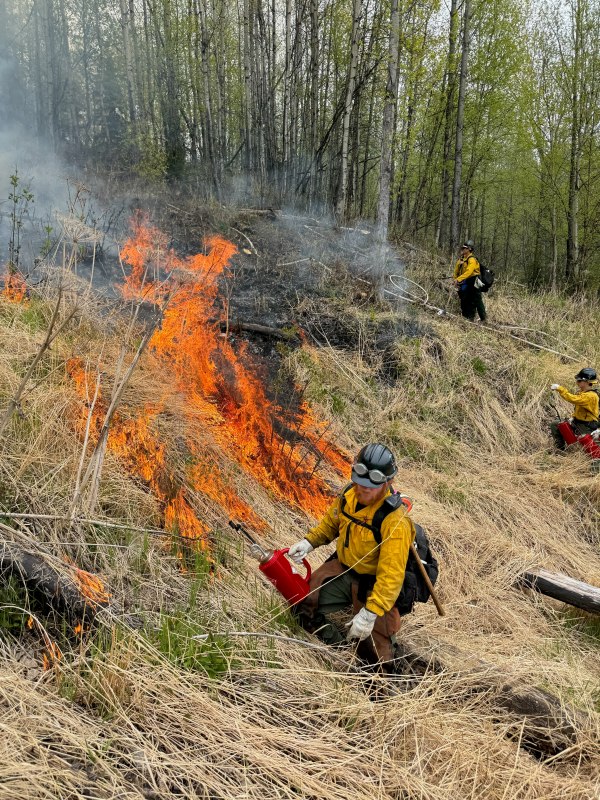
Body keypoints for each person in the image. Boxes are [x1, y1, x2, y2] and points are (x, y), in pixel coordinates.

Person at [288, 443, 415, 673]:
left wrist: (369, 613)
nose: (362, 490)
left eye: (369, 487)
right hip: (344, 569)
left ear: (387, 483)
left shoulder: (394, 521)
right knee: (302, 606)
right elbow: (330, 525)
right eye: (359, 483)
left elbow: (391, 577)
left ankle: (377, 672)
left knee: (375, 661)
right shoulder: (349, 495)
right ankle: (339, 649)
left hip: (374, 585)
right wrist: (308, 543)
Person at [549, 368, 599, 449]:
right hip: (577, 422)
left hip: (586, 426)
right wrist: (573, 417)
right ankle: (559, 449)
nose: (577, 382)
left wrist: (560, 389)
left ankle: (590, 456)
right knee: (555, 424)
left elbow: (573, 399)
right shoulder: (582, 392)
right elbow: (579, 409)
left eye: (579, 381)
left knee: (582, 443)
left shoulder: (591, 396)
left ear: (587, 382)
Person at [454, 240, 487, 322]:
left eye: (464, 248)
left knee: (476, 299)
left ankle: (483, 319)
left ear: (469, 249)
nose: (462, 249)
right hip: (466, 280)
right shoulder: (461, 259)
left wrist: (459, 279)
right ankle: (466, 316)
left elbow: (469, 272)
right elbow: (456, 271)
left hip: (475, 280)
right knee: (464, 297)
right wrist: (455, 279)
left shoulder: (472, 260)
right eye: (462, 248)